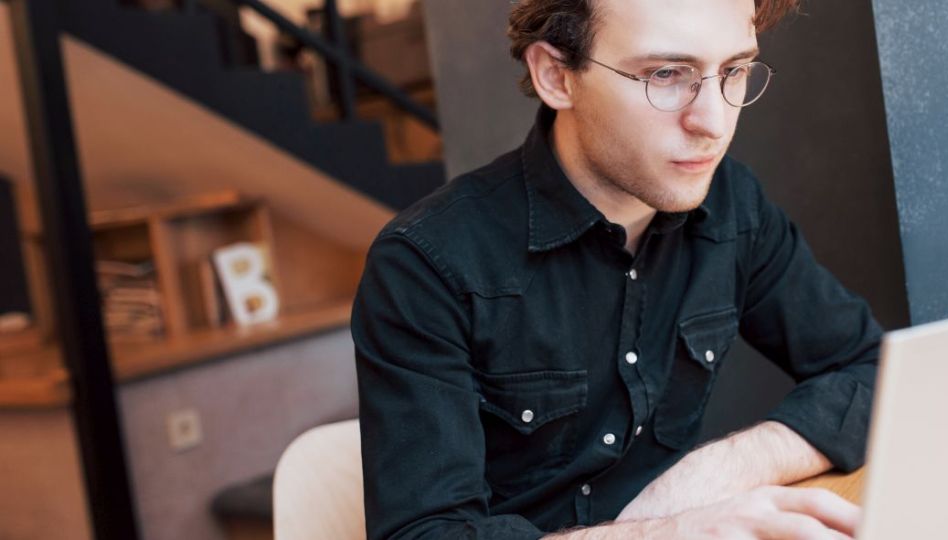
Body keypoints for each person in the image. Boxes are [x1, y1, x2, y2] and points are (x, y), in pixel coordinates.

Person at [352, 0, 883, 537]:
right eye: (666, 74)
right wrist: (665, 532)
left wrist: (723, 467)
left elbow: (873, 370)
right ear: (556, 76)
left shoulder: (733, 206)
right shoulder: (425, 264)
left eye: (734, 70)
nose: (714, 123)